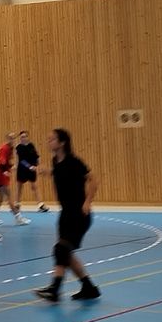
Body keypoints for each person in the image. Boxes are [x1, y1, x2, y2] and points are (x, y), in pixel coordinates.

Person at [34, 128, 101, 302]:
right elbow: (62, 174)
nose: (48, 142)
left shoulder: (74, 162)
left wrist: (88, 202)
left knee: (61, 249)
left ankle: (55, 289)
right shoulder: (56, 161)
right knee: (65, 253)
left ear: (62, 142)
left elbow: (93, 179)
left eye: (52, 139)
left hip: (79, 214)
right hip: (65, 214)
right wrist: (48, 172)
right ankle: (89, 288)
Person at [0, 133, 30, 226]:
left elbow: (4, 162)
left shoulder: (9, 148)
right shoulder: (5, 148)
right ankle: (18, 218)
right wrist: (5, 171)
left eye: (13, 138)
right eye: (10, 138)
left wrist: (11, 166)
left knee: (0, 198)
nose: (12, 140)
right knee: (9, 197)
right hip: (0, 175)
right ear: (7, 139)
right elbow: (1, 162)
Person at [14, 129, 46, 212]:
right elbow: (21, 160)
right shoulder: (19, 147)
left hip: (32, 170)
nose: (23, 138)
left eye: (25, 136)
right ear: (20, 138)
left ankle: (41, 205)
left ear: (28, 137)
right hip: (22, 170)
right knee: (19, 187)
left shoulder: (31, 146)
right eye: (22, 137)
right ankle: (17, 204)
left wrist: (39, 166)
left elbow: (36, 156)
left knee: (34, 186)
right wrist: (29, 166)